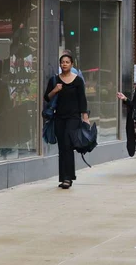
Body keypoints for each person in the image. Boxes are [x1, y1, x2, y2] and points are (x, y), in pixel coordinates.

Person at [44, 54, 89, 189]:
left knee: (68, 145)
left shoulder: (78, 81)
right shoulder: (55, 80)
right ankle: (63, 176)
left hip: (73, 118)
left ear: (72, 64)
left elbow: (82, 99)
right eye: (62, 62)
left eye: (67, 62)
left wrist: (85, 116)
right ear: (60, 64)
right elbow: (47, 97)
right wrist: (55, 90)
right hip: (59, 117)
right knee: (62, 147)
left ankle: (68, 178)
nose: (64, 64)